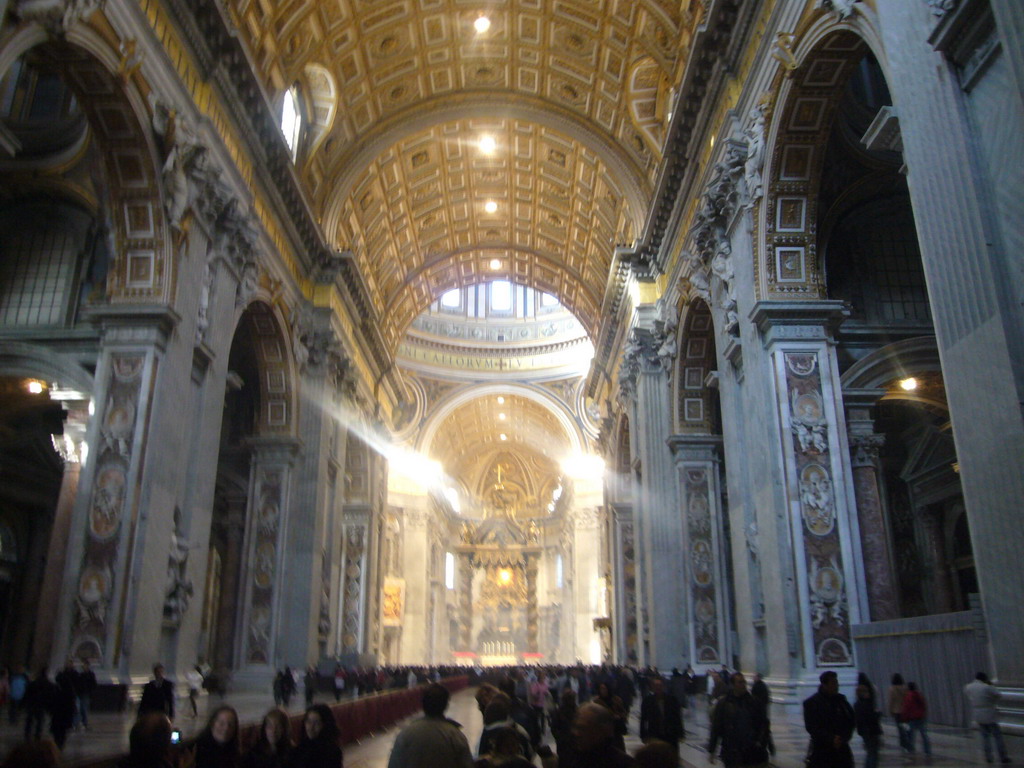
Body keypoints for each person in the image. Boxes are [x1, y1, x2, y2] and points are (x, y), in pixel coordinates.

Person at [386, 682, 473, 768]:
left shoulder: (405, 734)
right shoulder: (455, 736)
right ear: (446, 705)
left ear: (422, 704)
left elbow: (394, 764)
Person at [707, 672, 769, 767]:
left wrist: (761, 742)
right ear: (732, 685)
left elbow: (763, 724)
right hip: (732, 751)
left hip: (751, 751)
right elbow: (716, 727)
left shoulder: (754, 702)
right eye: (740, 682)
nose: (743, 685)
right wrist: (712, 750)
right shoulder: (724, 704)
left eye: (744, 682)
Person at [803, 670, 855, 768]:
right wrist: (831, 738)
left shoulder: (841, 701)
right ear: (824, 685)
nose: (836, 686)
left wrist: (843, 737)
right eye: (833, 683)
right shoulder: (812, 703)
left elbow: (850, 720)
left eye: (836, 683)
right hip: (822, 751)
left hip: (841, 749)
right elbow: (811, 727)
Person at [559, 702, 636, 768]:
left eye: (582, 728)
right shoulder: (569, 758)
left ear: (601, 730)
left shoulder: (623, 764)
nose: (576, 733)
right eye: (575, 727)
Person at [964, 672, 1011, 764]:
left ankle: (988, 757)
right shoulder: (986, 687)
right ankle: (1003, 756)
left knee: (985, 737)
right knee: (997, 736)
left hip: (977, 713)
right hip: (989, 713)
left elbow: (969, 696)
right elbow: (998, 695)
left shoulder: (968, 687)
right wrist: (991, 685)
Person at [288, 703, 343, 768]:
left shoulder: (332, 753)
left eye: (317, 723)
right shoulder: (303, 746)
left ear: (326, 725)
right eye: (308, 721)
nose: (311, 727)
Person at [639, 676, 684, 754]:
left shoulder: (672, 700)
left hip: (670, 734)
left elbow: (677, 717)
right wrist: (643, 735)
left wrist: (680, 733)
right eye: (655, 685)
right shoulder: (647, 701)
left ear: (663, 686)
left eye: (659, 685)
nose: (658, 688)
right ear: (652, 687)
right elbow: (643, 719)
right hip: (654, 734)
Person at [853, 684, 882, 768]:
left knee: (870, 752)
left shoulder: (857, 704)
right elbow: (870, 717)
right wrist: (877, 714)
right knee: (873, 753)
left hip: (864, 731)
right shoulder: (866, 704)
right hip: (871, 730)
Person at [23, 667, 56, 741]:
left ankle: (27, 734)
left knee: (30, 720)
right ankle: (37, 735)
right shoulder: (48, 684)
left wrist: (23, 704)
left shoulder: (34, 683)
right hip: (41, 705)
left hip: (32, 704)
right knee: (40, 721)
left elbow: (27, 693)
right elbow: (52, 695)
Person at [593, 681, 629, 749]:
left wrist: (619, 716)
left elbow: (623, 712)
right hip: (604, 731)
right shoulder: (597, 702)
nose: (603, 691)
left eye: (604, 688)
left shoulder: (616, 700)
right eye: (601, 689)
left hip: (616, 729)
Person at [51, 660, 78, 749]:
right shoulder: (69, 692)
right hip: (64, 717)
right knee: (61, 734)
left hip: (59, 716)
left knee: (58, 734)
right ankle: (59, 746)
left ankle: (58, 745)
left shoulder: (58, 690)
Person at [902, 682, 931, 758]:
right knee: (924, 735)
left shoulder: (908, 696)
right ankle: (927, 750)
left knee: (911, 735)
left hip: (912, 718)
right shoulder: (919, 695)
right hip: (921, 717)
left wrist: (905, 718)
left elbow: (906, 708)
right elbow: (924, 705)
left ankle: (911, 750)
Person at [549, 688, 579, 765]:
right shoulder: (559, 712)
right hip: (563, 744)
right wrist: (560, 739)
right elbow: (554, 728)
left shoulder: (577, 711)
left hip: (575, 743)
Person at [886, 673, 909, 752]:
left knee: (900, 729)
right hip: (905, 711)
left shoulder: (892, 689)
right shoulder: (905, 688)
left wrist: (890, 710)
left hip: (896, 711)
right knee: (906, 727)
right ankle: (908, 743)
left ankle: (903, 744)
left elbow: (891, 701)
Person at [78, 659, 97, 729]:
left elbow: (93, 684)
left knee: (84, 708)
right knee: (80, 708)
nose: (84, 667)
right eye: (83, 665)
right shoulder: (81, 675)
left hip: (87, 694)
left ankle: (84, 723)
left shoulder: (91, 675)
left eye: (85, 665)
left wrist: (91, 692)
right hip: (80, 693)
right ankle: (80, 723)